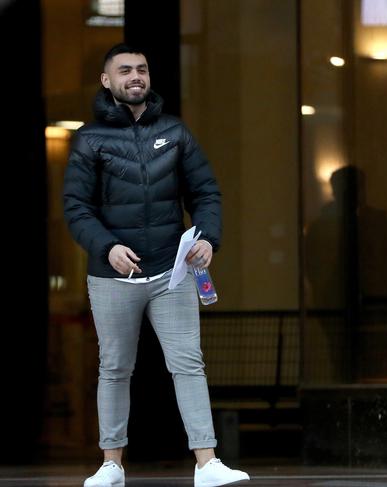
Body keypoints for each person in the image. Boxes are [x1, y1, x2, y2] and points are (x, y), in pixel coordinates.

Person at [63, 43, 249, 487]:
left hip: (173, 271)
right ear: (107, 81)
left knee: (189, 363)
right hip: (113, 275)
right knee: (114, 367)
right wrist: (107, 247)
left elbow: (206, 193)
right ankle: (111, 465)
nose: (135, 76)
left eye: (142, 69)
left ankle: (207, 464)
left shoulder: (176, 133)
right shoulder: (89, 139)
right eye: (124, 70)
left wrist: (207, 236)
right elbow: (75, 206)